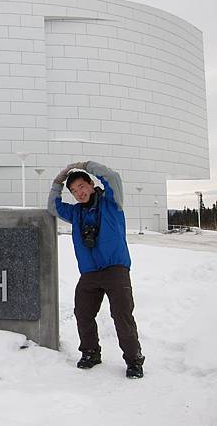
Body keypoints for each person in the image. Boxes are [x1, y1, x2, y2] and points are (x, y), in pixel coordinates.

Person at [48, 161, 145, 379]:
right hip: (90, 273)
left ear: (91, 184)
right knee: (82, 312)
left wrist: (85, 165)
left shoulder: (112, 202)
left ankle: (134, 360)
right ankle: (90, 353)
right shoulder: (75, 213)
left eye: (82, 186)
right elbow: (52, 207)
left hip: (115, 269)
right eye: (73, 191)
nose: (79, 193)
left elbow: (113, 177)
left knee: (121, 315)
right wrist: (58, 181)